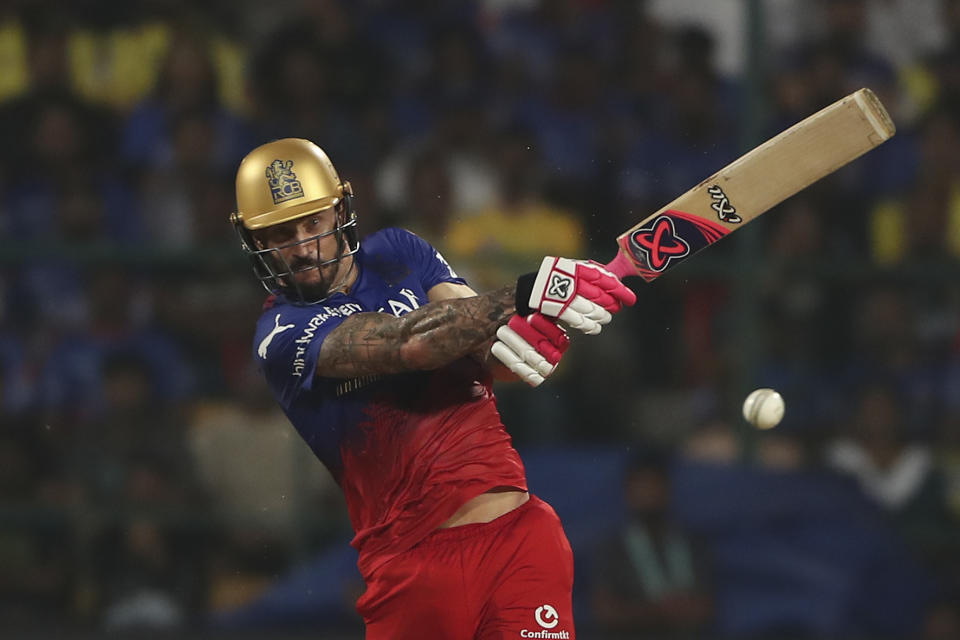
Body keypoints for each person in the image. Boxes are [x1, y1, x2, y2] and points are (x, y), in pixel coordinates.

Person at [229, 138, 636, 640]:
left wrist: (525, 337)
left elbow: (482, 341)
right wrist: (522, 294)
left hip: (518, 539)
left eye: (312, 222)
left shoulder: (400, 252)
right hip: (410, 569)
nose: (303, 246)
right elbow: (410, 344)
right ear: (256, 243)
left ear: (340, 211)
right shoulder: (281, 334)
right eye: (280, 234)